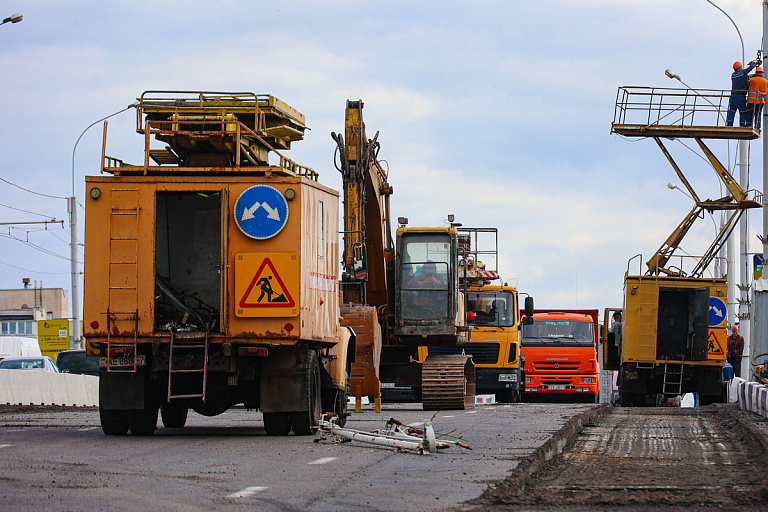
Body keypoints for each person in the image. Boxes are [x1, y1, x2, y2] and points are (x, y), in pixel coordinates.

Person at [727, 59, 760, 127]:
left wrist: (752, 75)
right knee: (742, 112)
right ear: (739, 68)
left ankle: (729, 125)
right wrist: (754, 63)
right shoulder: (742, 73)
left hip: (733, 96)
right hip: (740, 97)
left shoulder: (733, 75)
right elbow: (750, 68)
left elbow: (744, 77)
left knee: (731, 112)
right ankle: (742, 125)